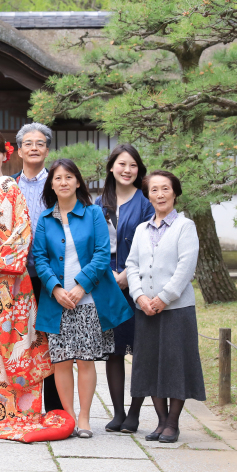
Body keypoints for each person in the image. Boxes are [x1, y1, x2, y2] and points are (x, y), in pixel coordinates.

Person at [0, 130, 74, 442]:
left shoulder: (12, 190)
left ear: (5, 156)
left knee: (15, 346)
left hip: (8, 284)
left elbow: (22, 233)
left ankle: (19, 411)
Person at [32, 159, 133, 438]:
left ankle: (86, 419)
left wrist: (79, 286)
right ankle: (70, 418)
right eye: (57, 178)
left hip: (88, 301)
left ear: (78, 181)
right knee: (61, 361)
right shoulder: (44, 219)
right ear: (51, 184)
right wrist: (55, 288)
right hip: (57, 301)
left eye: (68, 177)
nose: (63, 182)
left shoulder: (93, 214)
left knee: (85, 360)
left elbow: (102, 255)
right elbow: (39, 258)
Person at [125, 170, 204, 444]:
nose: (160, 194)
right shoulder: (140, 229)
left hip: (176, 308)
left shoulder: (185, 226)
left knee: (175, 364)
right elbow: (131, 265)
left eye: (165, 189)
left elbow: (186, 267)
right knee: (149, 364)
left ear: (175, 192)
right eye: (154, 190)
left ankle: (173, 423)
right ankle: (159, 421)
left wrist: (163, 298)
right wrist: (140, 297)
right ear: (148, 196)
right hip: (145, 308)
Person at [94, 144, 155, 433]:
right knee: (114, 349)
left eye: (132, 165)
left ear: (138, 169)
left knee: (139, 349)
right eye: (122, 164)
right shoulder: (99, 203)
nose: (127, 170)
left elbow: (151, 245)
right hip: (107, 282)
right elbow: (92, 244)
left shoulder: (145, 203)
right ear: (111, 167)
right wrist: (109, 274)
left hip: (138, 283)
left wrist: (129, 275)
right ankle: (117, 412)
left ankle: (134, 413)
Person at [10, 123, 63, 413]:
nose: (34, 147)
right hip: (17, 275)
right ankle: (23, 406)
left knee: (51, 337)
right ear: (19, 150)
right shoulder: (9, 186)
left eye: (40, 143)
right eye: (28, 143)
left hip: (49, 274)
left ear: (47, 148)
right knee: (20, 338)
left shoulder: (57, 184)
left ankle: (55, 408)